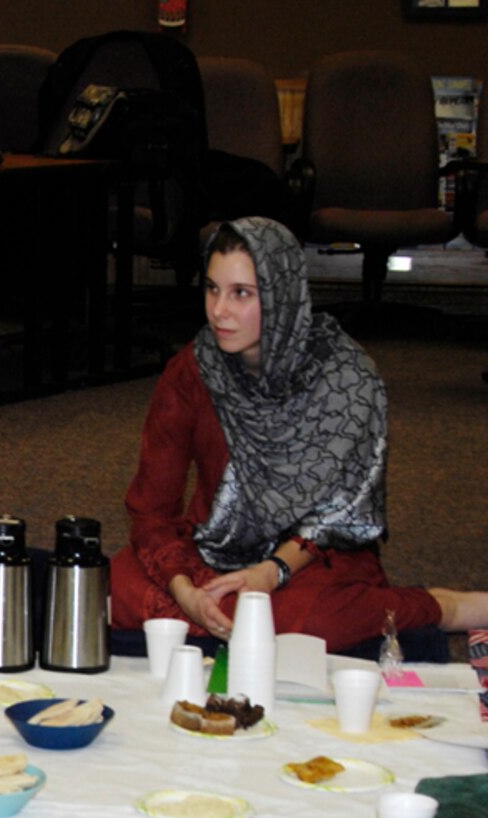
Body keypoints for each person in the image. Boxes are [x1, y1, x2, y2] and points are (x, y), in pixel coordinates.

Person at [111, 216, 488, 650]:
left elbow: (341, 512)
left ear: (282, 297)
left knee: (310, 622)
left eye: (242, 294)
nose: (219, 311)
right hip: (216, 544)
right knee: (115, 589)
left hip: (313, 555)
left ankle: (444, 608)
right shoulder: (193, 371)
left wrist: (271, 572)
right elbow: (151, 509)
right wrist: (185, 591)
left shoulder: (345, 377)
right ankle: (214, 613)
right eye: (212, 289)